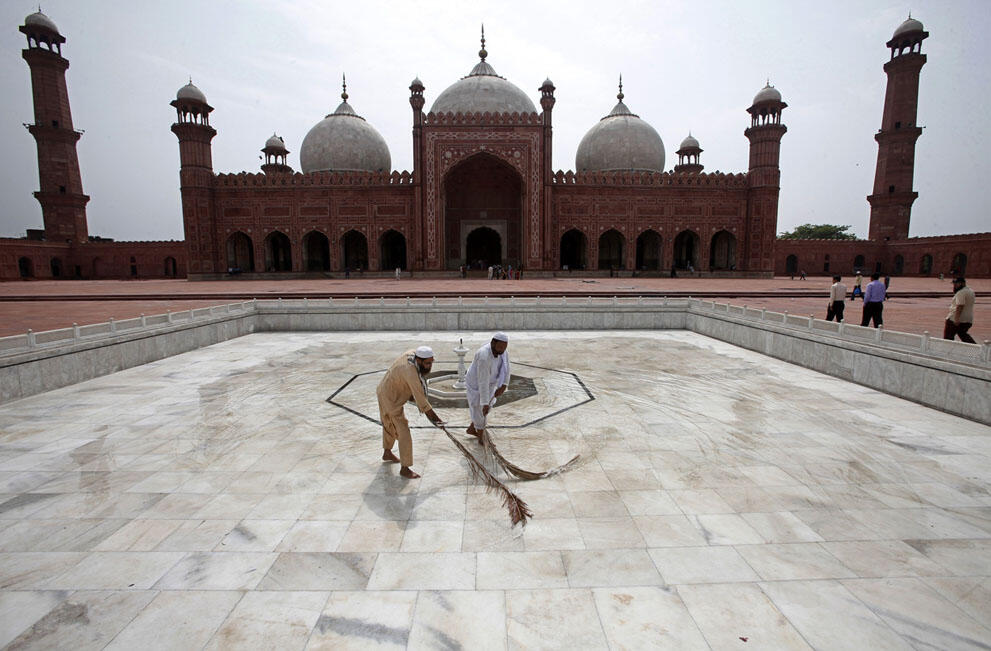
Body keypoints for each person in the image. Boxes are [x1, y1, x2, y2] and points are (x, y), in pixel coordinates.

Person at [376, 345, 445, 479]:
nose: (429, 366)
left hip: (384, 390)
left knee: (388, 423)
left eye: (431, 362)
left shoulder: (412, 354)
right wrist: (437, 420)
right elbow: (422, 402)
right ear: (418, 361)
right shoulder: (411, 373)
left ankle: (387, 452)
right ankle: (405, 468)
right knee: (403, 430)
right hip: (390, 398)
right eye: (427, 363)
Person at [464, 332, 510, 444]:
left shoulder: (503, 352)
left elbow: (507, 367)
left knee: (487, 406)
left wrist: (504, 384)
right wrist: (484, 402)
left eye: (504, 348)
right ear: (493, 343)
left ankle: (472, 428)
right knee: (479, 408)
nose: (502, 350)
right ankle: (481, 437)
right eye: (500, 347)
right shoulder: (484, 356)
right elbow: (482, 382)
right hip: (476, 384)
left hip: (490, 383)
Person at [944, 277, 977, 343]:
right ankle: (976, 349)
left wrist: (956, 319)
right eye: (954, 284)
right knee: (963, 335)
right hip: (968, 319)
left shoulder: (961, 292)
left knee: (948, 338)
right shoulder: (971, 291)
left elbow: (960, 306)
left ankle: (947, 351)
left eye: (957, 283)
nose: (955, 285)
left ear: (963, 283)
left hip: (955, 319)